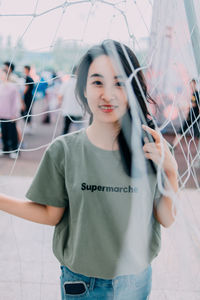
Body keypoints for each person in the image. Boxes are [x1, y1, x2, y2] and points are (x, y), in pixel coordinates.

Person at [0, 40, 178, 299]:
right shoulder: (64, 150)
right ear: (83, 88)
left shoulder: (153, 146)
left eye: (119, 82)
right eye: (97, 82)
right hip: (82, 285)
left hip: (136, 281)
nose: (108, 94)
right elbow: (51, 215)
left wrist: (170, 171)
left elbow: (167, 218)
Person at [173, 79, 200, 148]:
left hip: (194, 118)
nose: (191, 86)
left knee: (196, 133)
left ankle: (173, 145)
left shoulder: (196, 94)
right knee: (182, 131)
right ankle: (173, 145)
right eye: (190, 84)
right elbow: (193, 105)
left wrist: (184, 106)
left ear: (195, 84)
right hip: (191, 117)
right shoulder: (194, 94)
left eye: (192, 84)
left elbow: (194, 104)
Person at [0, 69, 20, 159]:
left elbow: (16, 101)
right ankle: (5, 149)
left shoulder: (13, 87)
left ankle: (15, 150)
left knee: (12, 134)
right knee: (4, 133)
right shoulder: (1, 86)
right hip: (2, 114)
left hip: (11, 115)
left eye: (2, 73)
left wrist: (15, 114)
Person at [58, 66, 83, 134]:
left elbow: (60, 96)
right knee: (79, 131)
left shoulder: (66, 83)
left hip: (68, 111)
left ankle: (63, 143)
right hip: (78, 111)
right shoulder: (82, 84)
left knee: (66, 129)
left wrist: (61, 104)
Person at [21, 65, 35, 133]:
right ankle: (29, 125)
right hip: (29, 97)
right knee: (26, 111)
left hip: (28, 98)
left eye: (24, 69)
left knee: (26, 111)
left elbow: (26, 89)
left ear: (27, 70)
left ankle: (29, 126)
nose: (24, 70)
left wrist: (20, 96)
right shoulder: (29, 78)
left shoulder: (28, 78)